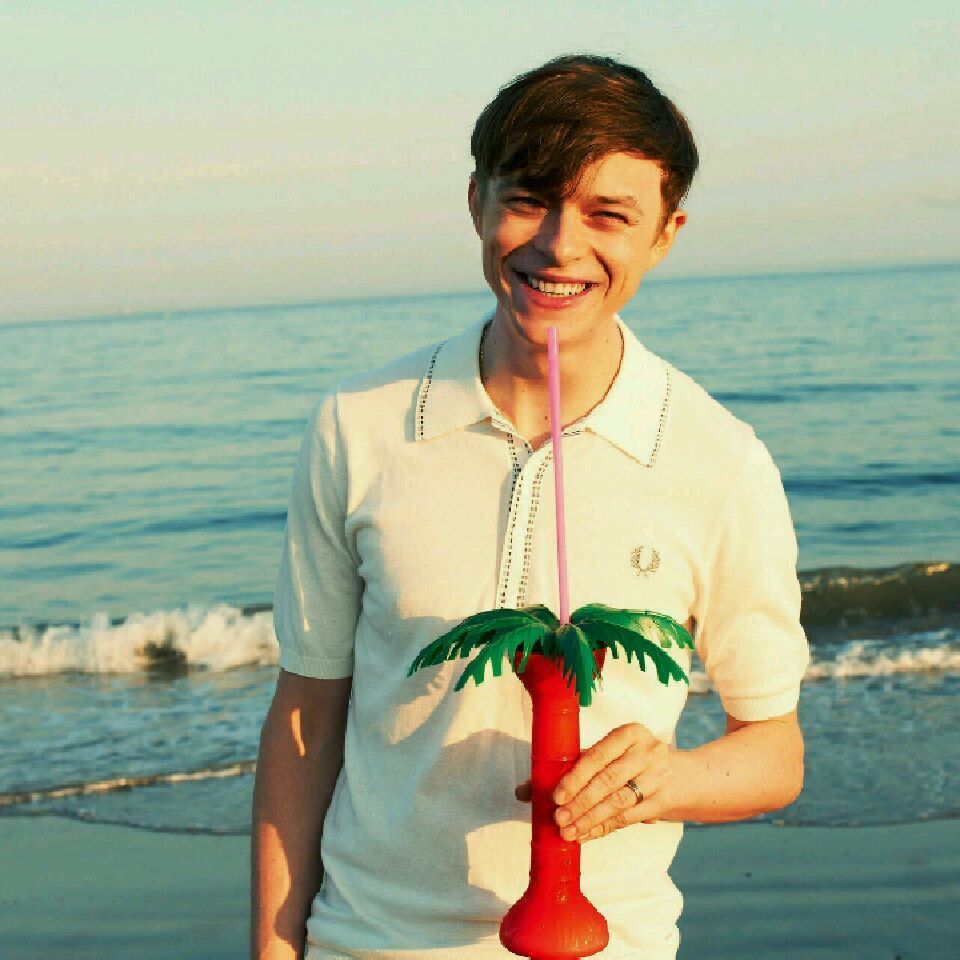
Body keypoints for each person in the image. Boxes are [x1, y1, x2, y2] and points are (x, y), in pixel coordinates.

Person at [252, 54, 809, 960]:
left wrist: (668, 780)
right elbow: (305, 716)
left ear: (665, 234)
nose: (559, 244)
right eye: (529, 200)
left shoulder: (720, 459)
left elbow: (773, 750)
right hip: (368, 939)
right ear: (477, 201)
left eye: (608, 215)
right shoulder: (359, 424)